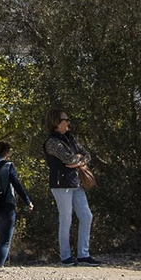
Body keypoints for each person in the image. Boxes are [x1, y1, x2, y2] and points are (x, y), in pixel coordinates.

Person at [43, 110, 97, 266]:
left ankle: (83, 255)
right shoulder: (52, 142)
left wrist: (78, 160)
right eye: (65, 119)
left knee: (86, 216)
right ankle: (66, 256)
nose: (68, 122)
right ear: (57, 122)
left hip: (76, 183)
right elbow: (69, 158)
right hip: (61, 185)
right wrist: (78, 159)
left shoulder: (71, 138)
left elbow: (86, 155)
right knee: (66, 219)